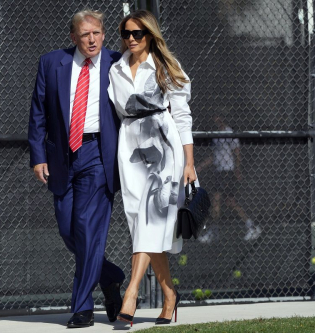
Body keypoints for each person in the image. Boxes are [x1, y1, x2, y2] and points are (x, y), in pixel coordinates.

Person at [28, 9, 125, 328]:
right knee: (69, 231)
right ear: (73, 37)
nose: (92, 39)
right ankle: (110, 277)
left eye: (97, 32)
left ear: (103, 34)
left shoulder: (117, 62)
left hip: (99, 153)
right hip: (62, 157)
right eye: (85, 34)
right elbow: (38, 113)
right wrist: (38, 155)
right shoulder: (51, 63)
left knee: (87, 227)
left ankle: (82, 307)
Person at [107, 10, 197, 326]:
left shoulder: (163, 67)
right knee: (140, 222)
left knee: (151, 219)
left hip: (164, 148)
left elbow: (183, 116)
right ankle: (169, 294)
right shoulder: (115, 69)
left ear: (150, 35)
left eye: (138, 34)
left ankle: (131, 294)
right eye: (126, 33)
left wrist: (189, 162)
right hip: (129, 148)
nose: (131, 39)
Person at [196, 115, 261, 243]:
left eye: (218, 118)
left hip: (227, 172)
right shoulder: (215, 135)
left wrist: (237, 169)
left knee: (216, 200)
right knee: (229, 201)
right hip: (219, 172)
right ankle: (251, 226)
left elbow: (237, 152)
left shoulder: (228, 132)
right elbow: (213, 157)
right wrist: (199, 168)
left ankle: (214, 231)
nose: (215, 120)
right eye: (214, 118)